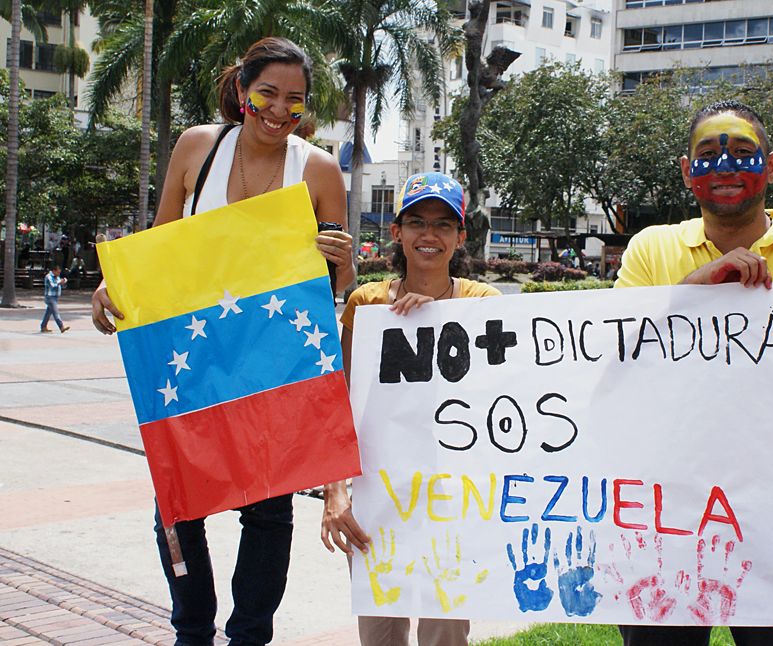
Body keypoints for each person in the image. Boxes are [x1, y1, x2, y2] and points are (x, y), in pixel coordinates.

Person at [90, 37, 355, 646]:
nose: (280, 110)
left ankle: (249, 635)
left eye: (295, 99)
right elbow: (161, 248)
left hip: (273, 364)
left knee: (269, 509)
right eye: (267, 93)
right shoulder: (197, 148)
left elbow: (338, 284)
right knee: (177, 505)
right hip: (197, 359)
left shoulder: (315, 168)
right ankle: (192, 631)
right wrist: (115, 286)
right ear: (242, 90)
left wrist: (341, 259)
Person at [614, 101, 773, 646]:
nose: (724, 168)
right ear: (687, 172)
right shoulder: (650, 251)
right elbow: (617, 365)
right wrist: (693, 287)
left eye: (742, 153)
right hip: (666, 508)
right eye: (707, 155)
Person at [321, 171, 499, 646]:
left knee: (446, 633)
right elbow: (340, 401)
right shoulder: (368, 304)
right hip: (378, 497)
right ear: (396, 232)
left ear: (461, 236)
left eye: (443, 224)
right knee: (379, 631)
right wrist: (334, 494)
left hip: (457, 499)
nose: (429, 235)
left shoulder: (483, 302)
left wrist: (440, 319)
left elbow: (502, 393)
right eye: (417, 221)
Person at [41, 264, 69, 333]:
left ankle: (43, 326)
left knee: (48, 313)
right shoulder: (48, 277)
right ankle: (61, 326)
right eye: (58, 272)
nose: (58, 274)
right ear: (53, 271)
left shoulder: (57, 277)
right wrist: (59, 283)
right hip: (50, 297)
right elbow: (52, 286)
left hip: (55, 297)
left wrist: (63, 283)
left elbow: (61, 286)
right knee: (55, 313)